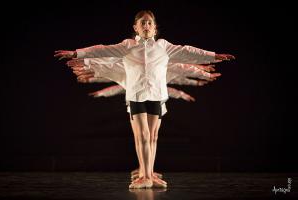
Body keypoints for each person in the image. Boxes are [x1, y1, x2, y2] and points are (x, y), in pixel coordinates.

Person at [54, 10, 235, 189]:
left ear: (155, 28)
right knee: (143, 135)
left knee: (152, 137)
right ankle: (144, 175)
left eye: (149, 23)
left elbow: (187, 52)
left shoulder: (163, 47)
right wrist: (77, 54)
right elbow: (103, 50)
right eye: (143, 23)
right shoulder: (128, 46)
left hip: (155, 95)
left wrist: (213, 56)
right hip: (136, 95)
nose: (146, 26)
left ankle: (148, 175)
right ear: (136, 28)